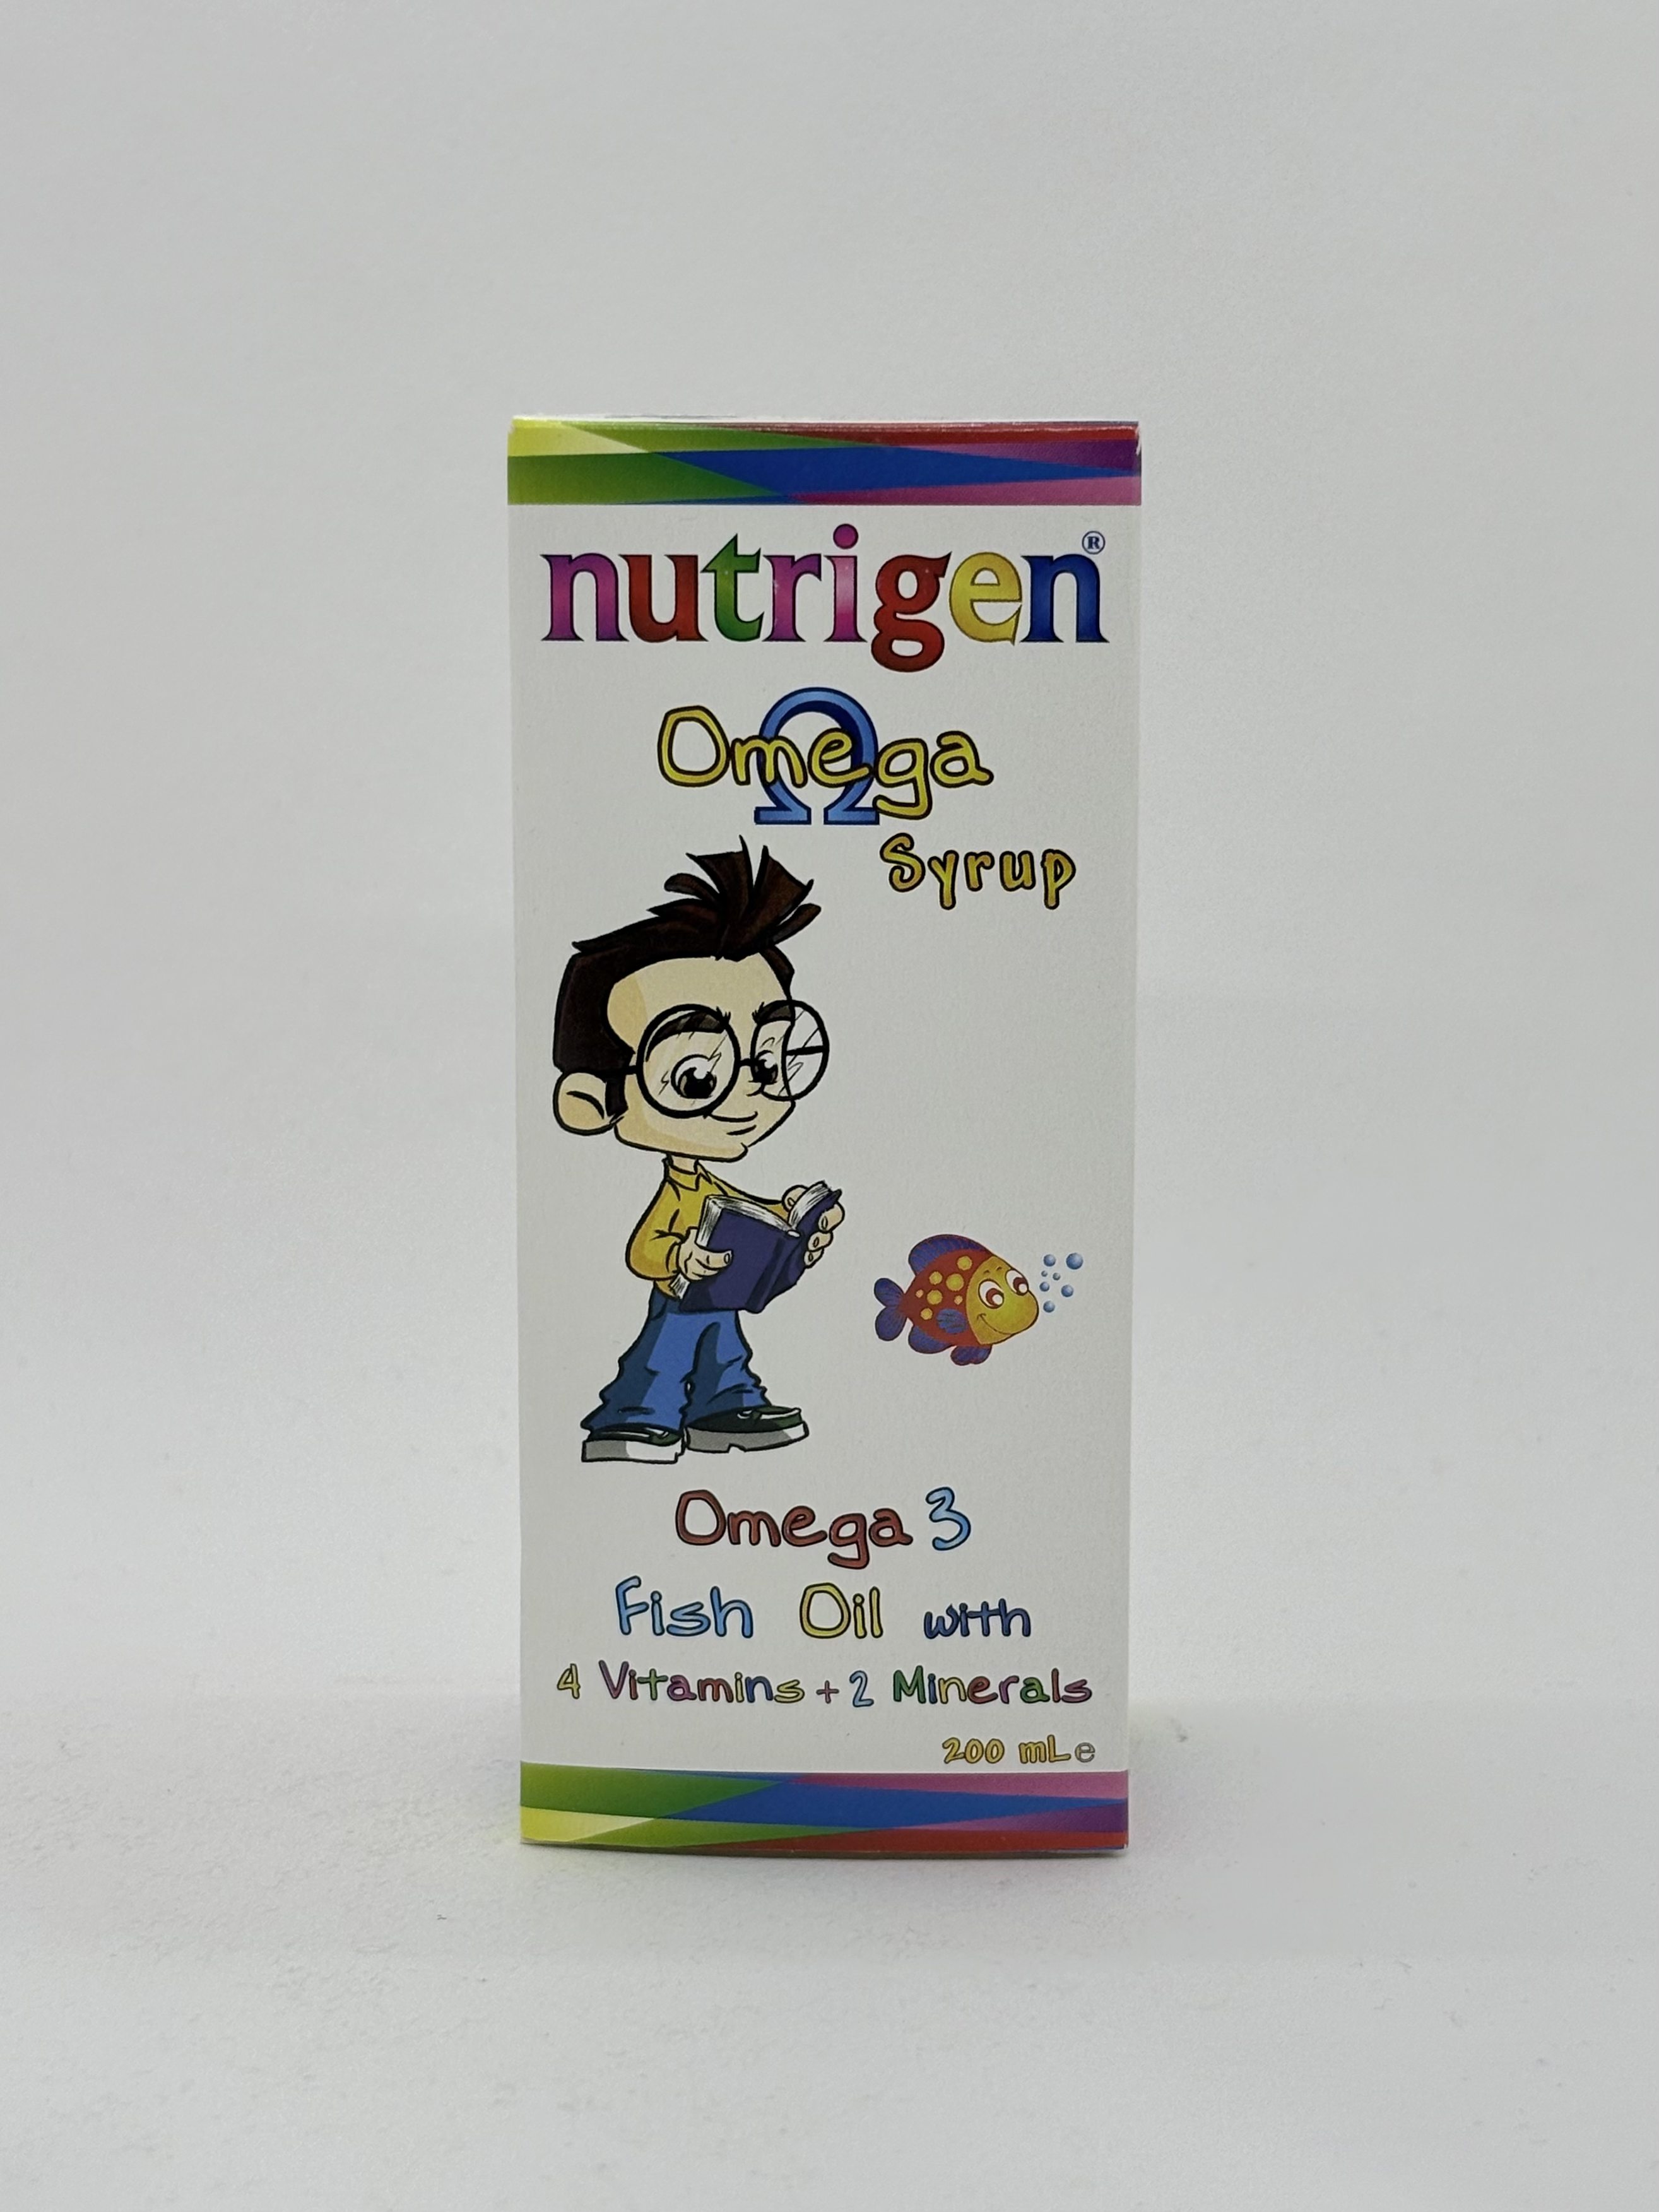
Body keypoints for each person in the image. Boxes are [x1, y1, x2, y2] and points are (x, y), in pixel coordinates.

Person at [552, 845, 844, 1464]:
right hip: (681, 1289)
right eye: (696, 1077)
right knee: (664, 1352)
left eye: (768, 1062)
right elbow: (643, 1249)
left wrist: (795, 1220)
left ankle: (723, 1406)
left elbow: (743, 1209)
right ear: (591, 1102)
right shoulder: (677, 1188)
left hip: (715, 1294)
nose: (751, 1092)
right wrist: (678, 1256)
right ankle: (634, 1417)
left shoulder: (708, 1183)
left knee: (723, 1346)